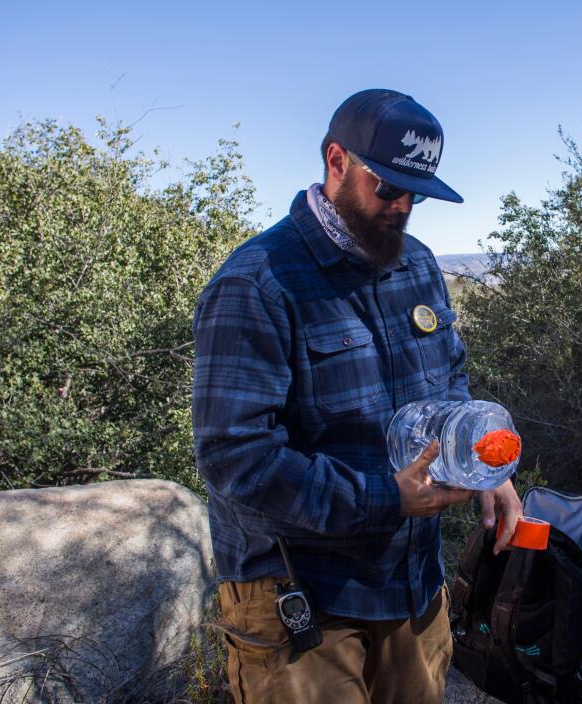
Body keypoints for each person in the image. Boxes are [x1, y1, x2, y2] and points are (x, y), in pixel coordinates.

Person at [192, 88, 523, 704]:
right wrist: (383, 498)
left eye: (414, 194)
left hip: (411, 583)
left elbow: (448, 384)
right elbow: (234, 456)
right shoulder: (255, 284)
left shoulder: (418, 266)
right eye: (387, 187)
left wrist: (484, 466)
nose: (401, 208)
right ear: (336, 161)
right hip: (299, 595)